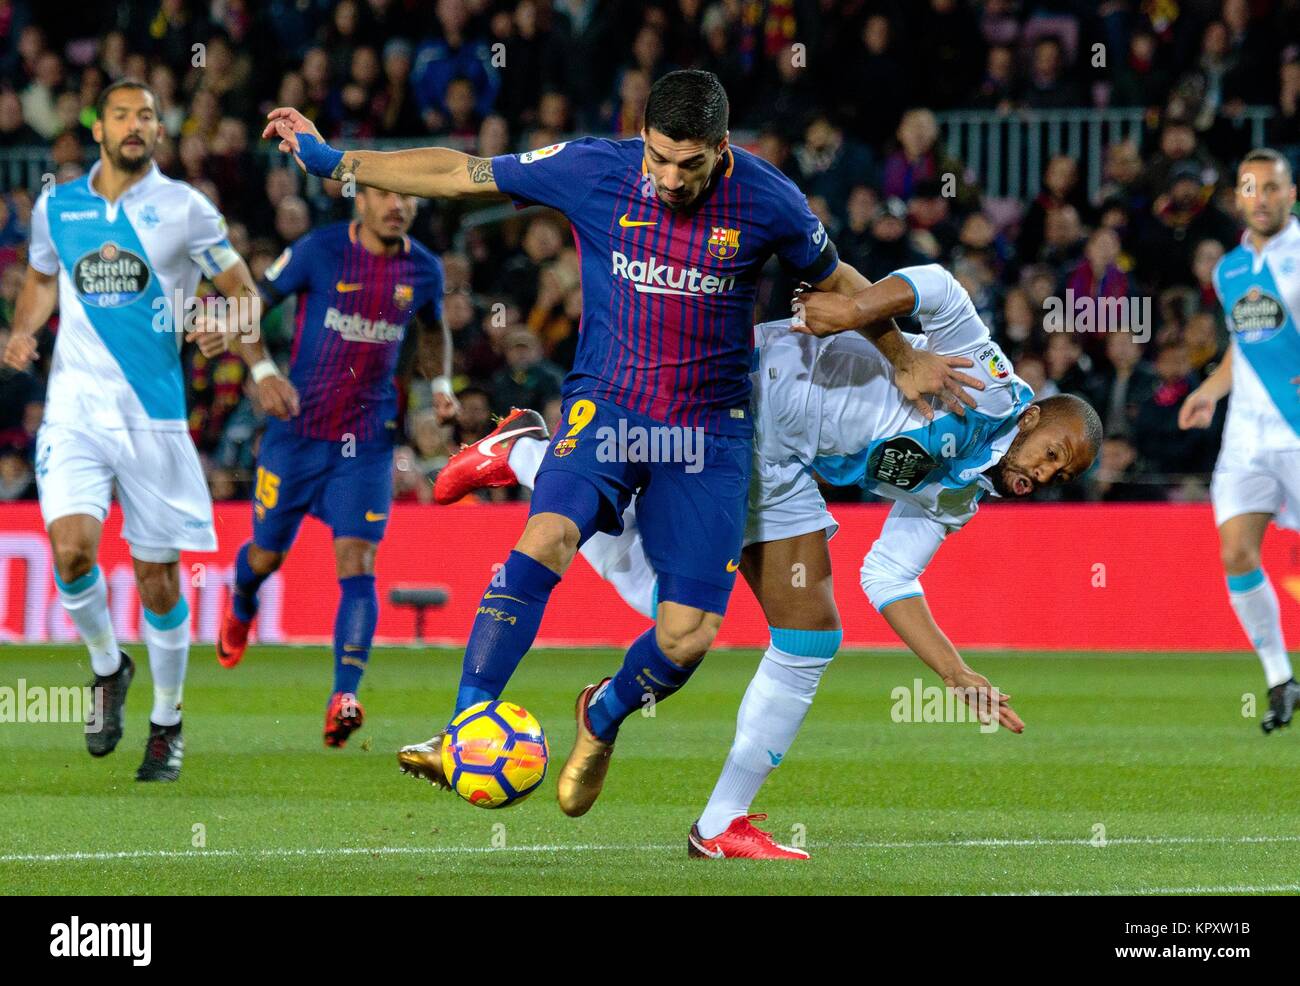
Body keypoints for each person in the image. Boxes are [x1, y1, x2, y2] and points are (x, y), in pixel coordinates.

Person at [263, 69, 979, 815]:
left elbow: (838, 279)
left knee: (688, 636)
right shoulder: (593, 168)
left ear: (722, 150)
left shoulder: (770, 201)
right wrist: (330, 159)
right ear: (642, 138)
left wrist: (902, 356)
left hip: (709, 431)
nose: (669, 179)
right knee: (546, 536)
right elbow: (459, 171)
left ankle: (600, 716)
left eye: (689, 165)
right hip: (608, 406)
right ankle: (463, 723)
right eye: (658, 158)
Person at [442, 262, 1101, 857]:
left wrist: (956, 674)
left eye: (1060, 475)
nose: (1046, 473)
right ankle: (528, 454)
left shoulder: (959, 497)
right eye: (1051, 452)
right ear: (1035, 414)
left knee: (806, 636)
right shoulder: (985, 378)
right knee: (667, 606)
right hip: (749, 388)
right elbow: (938, 286)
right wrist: (857, 309)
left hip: (781, 468)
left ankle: (719, 822)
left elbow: (890, 575)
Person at [1, 79, 259, 780]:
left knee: (157, 584)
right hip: (76, 411)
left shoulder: (185, 208)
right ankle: (108, 668)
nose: (136, 125)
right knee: (73, 551)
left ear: (158, 129)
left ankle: (167, 721)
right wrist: (23, 331)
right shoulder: (59, 204)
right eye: (123, 115)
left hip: (155, 417)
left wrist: (226, 326)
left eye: (147, 115)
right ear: (101, 127)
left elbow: (245, 294)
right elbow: (43, 279)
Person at [217, 185, 452, 747]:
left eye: (407, 198)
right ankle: (243, 599)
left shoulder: (423, 269)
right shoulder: (317, 251)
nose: (397, 206)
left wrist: (440, 383)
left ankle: (344, 695)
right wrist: (261, 372)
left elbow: (436, 327)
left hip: (367, 443)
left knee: (358, 561)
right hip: (296, 437)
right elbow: (248, 303)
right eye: (384, 195)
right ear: (358, 201)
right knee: (266, 555)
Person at [1179, 147, 1300, 732]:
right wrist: (1210, 389)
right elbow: (1243, 346)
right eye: (1251, 188)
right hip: (1247, 436)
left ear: (1291, 195)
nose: (1262, 198)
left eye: (1273, 187)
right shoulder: (1227, 271)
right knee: (1235, 551)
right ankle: (1280, 678)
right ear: (1238, 198)